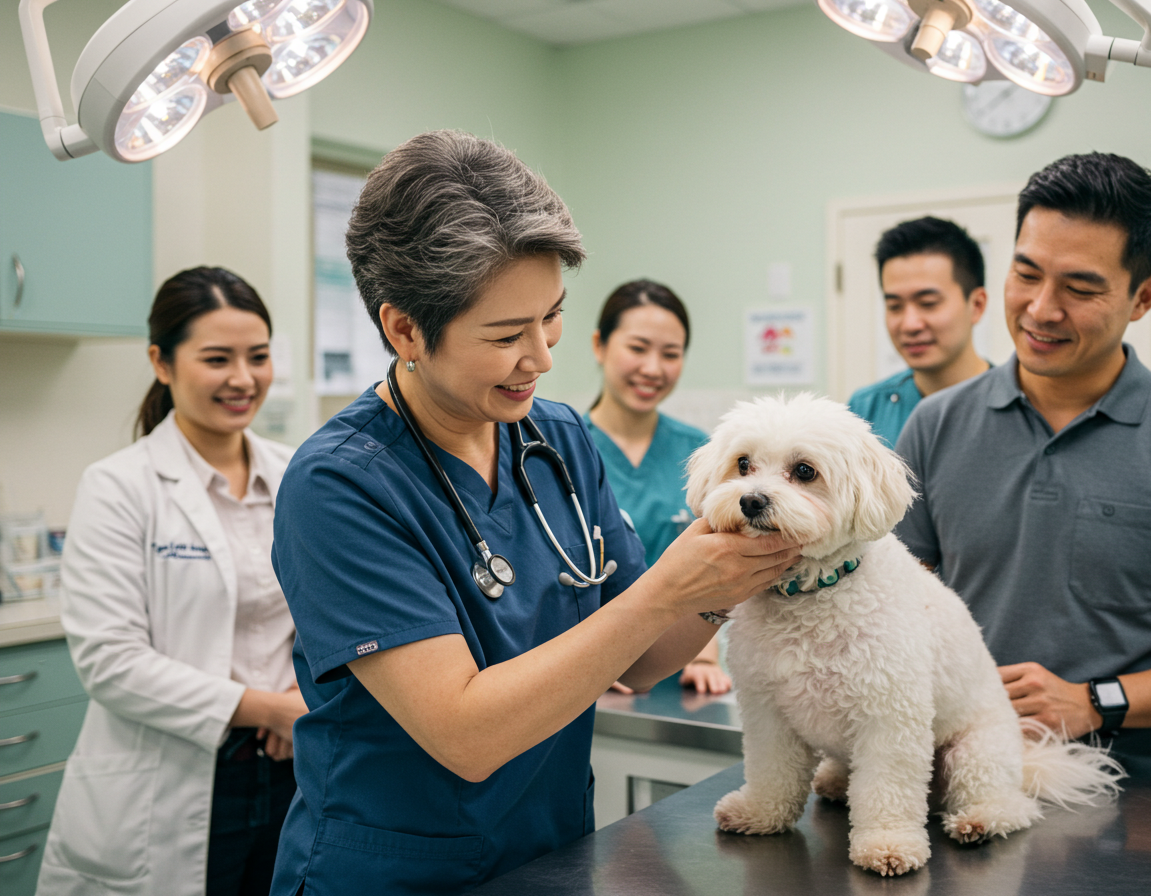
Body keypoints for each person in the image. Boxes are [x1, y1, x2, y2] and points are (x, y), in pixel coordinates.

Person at [267, 131, 800, 896]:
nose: (543, 357)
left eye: (549, 317)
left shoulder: (557, 438)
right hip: (396, 875)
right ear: (404, 329)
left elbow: (641, 658)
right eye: (506, 335)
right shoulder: (339, 487)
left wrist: (726, 577)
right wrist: (665, 590)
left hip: (550, 854)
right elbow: (466, 733)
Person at [893, 152, 1151, 784]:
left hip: (1138, 806)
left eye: (1080, 288)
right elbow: (897, 604)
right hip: (956, 787)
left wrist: (1092, 700)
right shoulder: (934, 427)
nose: (1041, 310)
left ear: (1143, 296)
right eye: (1026, 274)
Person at [38, 268, 308, 896]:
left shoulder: (299, 473)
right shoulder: (118, 486)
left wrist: (302, 691)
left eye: (258, 357)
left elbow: (327, 616)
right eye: (217, 359)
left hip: (291, 770)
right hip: (176, 780)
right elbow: (111, 661)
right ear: (161, 362)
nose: (243, 379)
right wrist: (271, 707)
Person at [586, 279, 730, 695]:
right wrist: (592, 664)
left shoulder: (701, 453)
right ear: (600, 345)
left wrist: (703, 656)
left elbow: (721, 563)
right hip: (591, 677)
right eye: (637, 348)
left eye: (670, 354)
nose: (653, 368)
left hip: (682, 671)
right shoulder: (563, 450)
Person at [846, 216, 991, 446]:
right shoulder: (866, 411)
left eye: (928, 303)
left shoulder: (1016, 405)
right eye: (894, 306)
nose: (909, 324)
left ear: (976, 305)